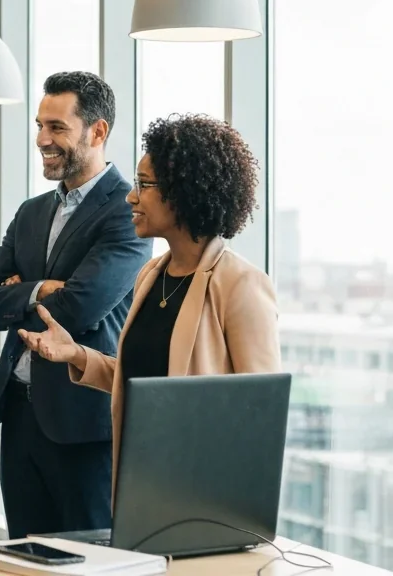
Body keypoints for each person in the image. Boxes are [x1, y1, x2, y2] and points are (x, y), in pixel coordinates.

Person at [20, 113, 282, 498]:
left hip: (202, 486)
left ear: (183, 192)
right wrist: (76, 354)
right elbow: (142, 380)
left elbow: (262, 412)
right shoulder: (151, 275)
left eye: (144, 184)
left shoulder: (240, 284)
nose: (131, 195)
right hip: (139, 476)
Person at [0, 71, 151, 537]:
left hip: (83, 425)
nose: (42, 139)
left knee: (89, 563)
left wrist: (19, 288)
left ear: (98, 131)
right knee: (22, 560)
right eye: (39, 125)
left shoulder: (126, 211)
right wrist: (39, 287)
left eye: (57, 128)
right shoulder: (32, 211)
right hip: (20, 415)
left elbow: (76, 310)